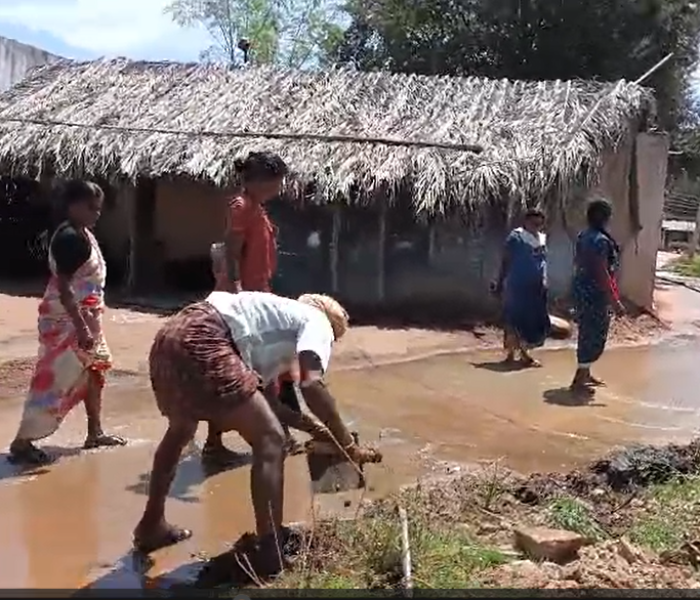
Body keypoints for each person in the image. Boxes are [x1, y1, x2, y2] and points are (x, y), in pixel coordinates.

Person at [133, 291, 381, 571]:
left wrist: (316, 429)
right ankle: (270, 550)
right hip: (205, 337)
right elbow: (311, 384)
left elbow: (268, 404)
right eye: (332, 343)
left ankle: (151, 526)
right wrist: (347, 443)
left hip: (170, 336)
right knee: (272, 440)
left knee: (181, 430)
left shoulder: (270, 322)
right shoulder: (317, 322)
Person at [8, 180, 126, 465]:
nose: (96, 214)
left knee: (95, 370)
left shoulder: (81, 233)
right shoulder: (70, 238)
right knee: (54, 379)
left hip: (85, 318)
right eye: (91, 208)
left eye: (99, 209)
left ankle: (95, 431)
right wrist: (82, 326)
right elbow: (64, 287)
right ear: (73, 205)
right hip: (68, 320)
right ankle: (23, 441)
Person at [207, 151, 303, 464]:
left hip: (258, 294)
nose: (278, 188)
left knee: (262, 368)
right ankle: (271, 436)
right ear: (260, 181)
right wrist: (237, 293)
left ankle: (273, 434)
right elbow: (232, 251)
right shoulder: (242, 207)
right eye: (275, 182)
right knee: (252, 369)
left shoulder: (255, 208)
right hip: (244, 299)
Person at [570, 199, 625, 391]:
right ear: (604, 217)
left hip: (582, 289)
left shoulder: (584, 236)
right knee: (594, 334)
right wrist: (614, 299)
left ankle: (584, 373)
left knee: (587, 331)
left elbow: (578, 263)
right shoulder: (600, 241)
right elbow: (602, 271)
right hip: (595, 293)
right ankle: (579, 379)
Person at [492, 208, 550, 367]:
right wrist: (499, 282)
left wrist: (544, 280)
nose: (536, 226)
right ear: (526, 222)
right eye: (533, 223)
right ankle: (511, 355)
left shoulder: (541, 239)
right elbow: (506, 261)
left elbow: (543, 262)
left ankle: (524, 353)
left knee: (530, 321)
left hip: (535, 287)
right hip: (517, 285)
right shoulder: (516, 238)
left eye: (539, 223)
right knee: (513, 319)